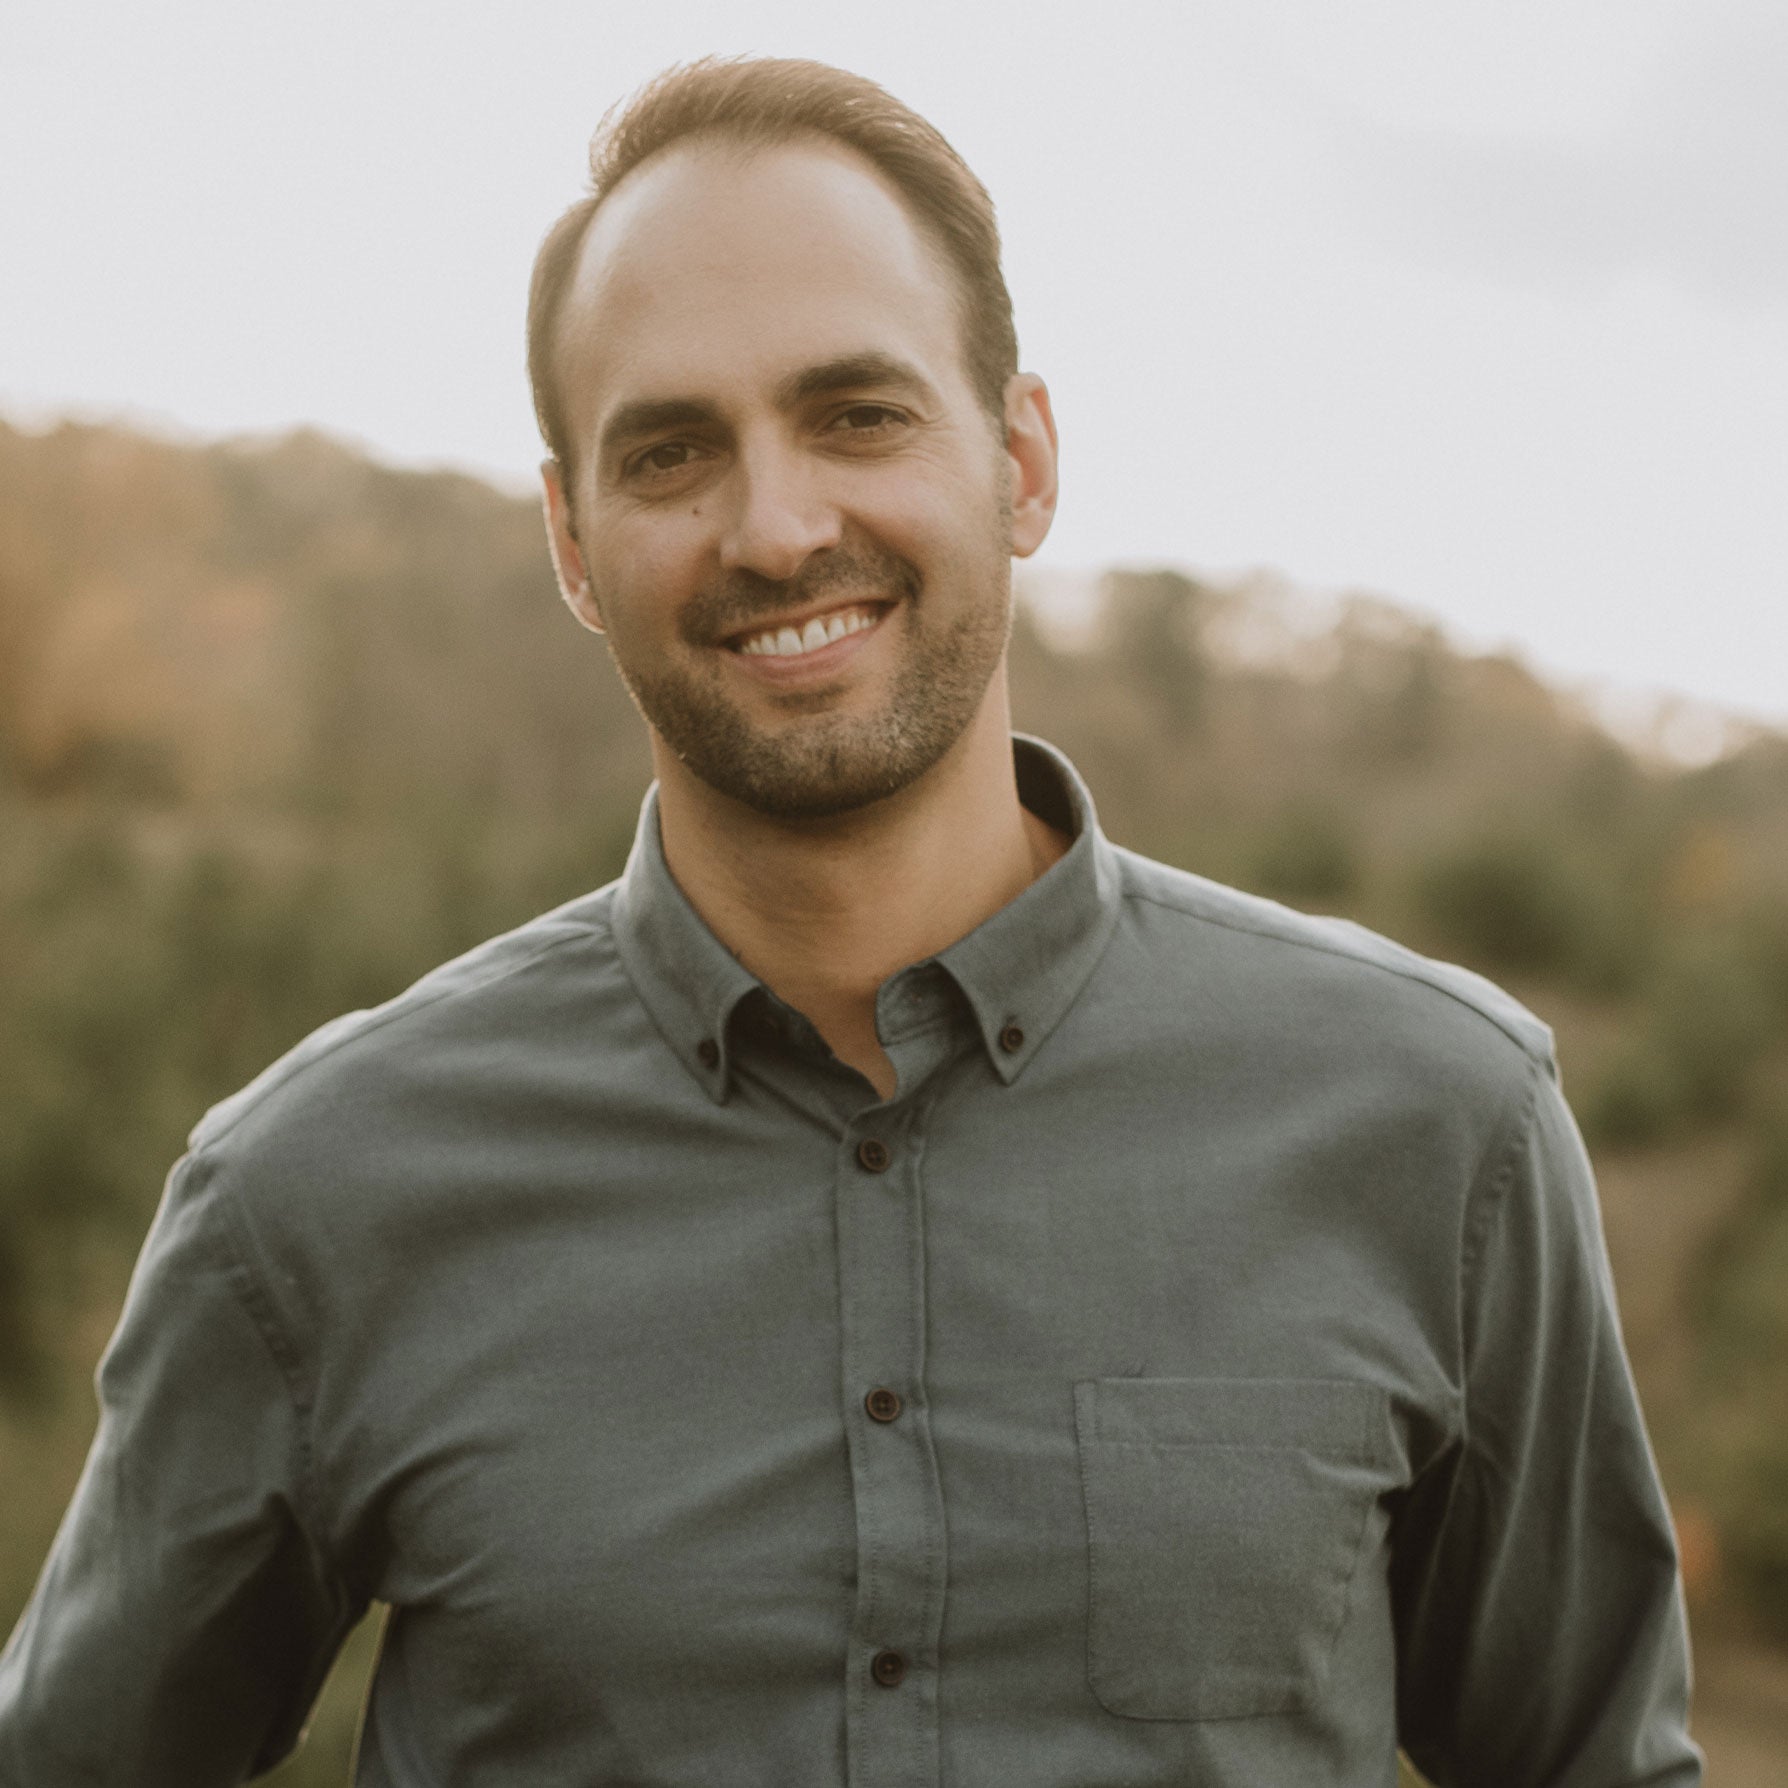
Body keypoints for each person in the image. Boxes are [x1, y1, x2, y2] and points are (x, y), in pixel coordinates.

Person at [0, 56, 1701, 1788]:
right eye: (671, 452)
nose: (779, 524)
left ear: (1020, 462)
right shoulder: (312, 1197)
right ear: (575, 548)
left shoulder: (1439, 1125)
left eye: (859, 414)